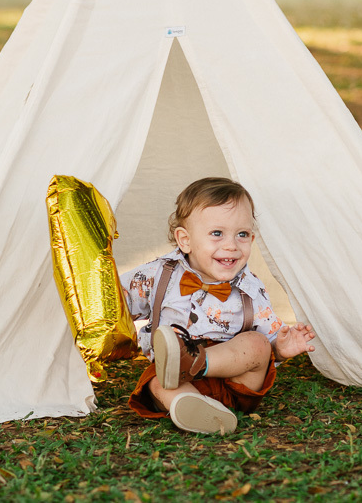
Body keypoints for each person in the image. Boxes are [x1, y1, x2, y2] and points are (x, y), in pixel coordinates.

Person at [120, 177, 315, 434]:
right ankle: (193, 408)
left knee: (256, 344)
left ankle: (193, 363)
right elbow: (120, 302)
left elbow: (264, 347)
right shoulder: (158, 274)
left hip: (235, 382)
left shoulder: (250, 288)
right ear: (185, 240)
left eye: (242, 234)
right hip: (177, 379)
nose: (231, 245)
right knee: (157, 383)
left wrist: (280, 348)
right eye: (217, 233)